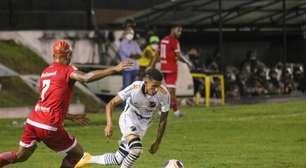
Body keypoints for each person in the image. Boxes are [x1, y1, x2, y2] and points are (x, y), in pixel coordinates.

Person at [0, 40, 132, 168]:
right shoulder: (67, 69)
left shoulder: (45, 71)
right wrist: (114, 69)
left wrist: (71, 117)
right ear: (68, 55)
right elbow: (86, 77)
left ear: (53, 55)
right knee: (78, 155)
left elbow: (49, 104)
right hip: (49, 125)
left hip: (33, 121)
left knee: (21, 155)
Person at [74, 69, 170, 168]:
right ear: (145, 82)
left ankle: (89, 158)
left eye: (158, 86)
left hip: (143, 126)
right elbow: (110, 104)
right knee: (136, 149)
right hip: (128, 119)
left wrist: (157, 142)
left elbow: (163, 121)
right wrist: (109, 124)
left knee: (119, 158)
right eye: (154, 86)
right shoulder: (135, 87)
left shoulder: (164, 94)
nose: (156, 89)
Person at [159, 25, 191, 117]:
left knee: (172, 91)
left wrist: (152, 65)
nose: (179, 33)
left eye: (181, 31)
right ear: (172, 29)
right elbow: (179, 56)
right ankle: (161, 110)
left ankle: (176, 112)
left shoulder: (163, 40)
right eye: (178, 31)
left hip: (164, 68)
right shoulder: (175, 42)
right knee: (169, 91)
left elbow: (157, 53)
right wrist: (188, 63)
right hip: (171, 68)